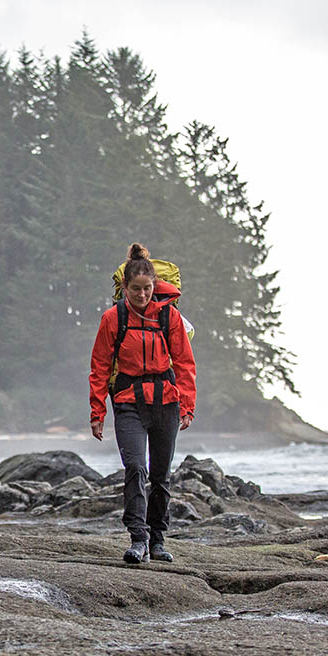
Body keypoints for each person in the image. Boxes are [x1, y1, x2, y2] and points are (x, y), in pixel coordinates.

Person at [89, 242, 196, 564]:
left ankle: (158, 540)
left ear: (155, 286)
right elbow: (100, 366)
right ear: (125, 288)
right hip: (128, 404)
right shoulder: (113, 318)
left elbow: (185, 363)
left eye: (147, 288)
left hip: (166, 403)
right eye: (135, 289)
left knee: (161, 476)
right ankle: (138, 539)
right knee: (136, 468)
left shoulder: (170, 318)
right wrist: (97, 412)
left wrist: (188, 406)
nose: (142, 295)